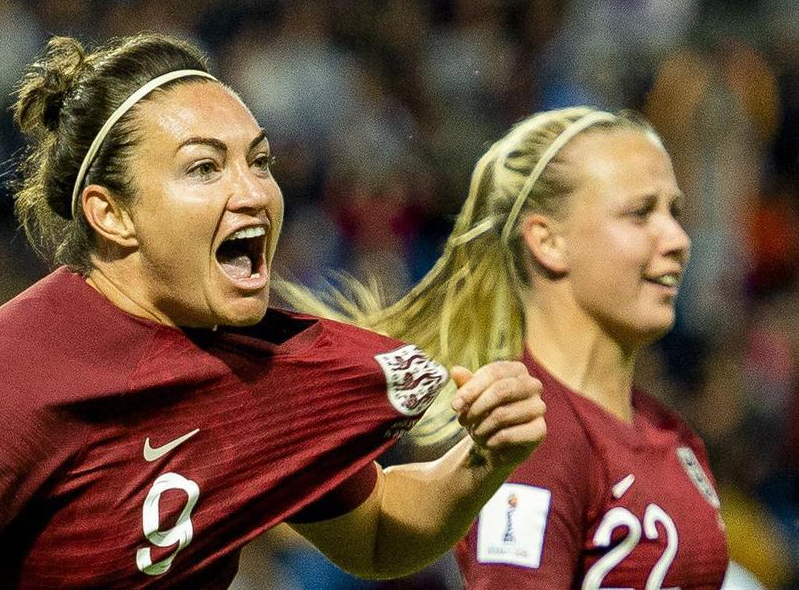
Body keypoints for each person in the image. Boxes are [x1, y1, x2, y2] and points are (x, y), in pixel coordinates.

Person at [0, 34, 547, 589]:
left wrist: (483, 459)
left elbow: (375, 534)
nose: (255, 192)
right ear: (112, 214)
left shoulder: (256, 366)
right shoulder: (5, 378)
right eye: (205, 167)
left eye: (259, 161)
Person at [282, 107, 730, 589]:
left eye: (675, 211)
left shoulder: (670, 432)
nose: (679, 239)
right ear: (548, 241)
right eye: (640, 213)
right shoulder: (530, 444)